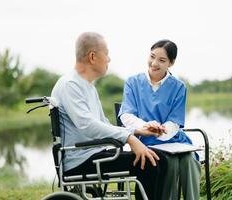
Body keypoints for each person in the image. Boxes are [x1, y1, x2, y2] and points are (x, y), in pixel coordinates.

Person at [51, 32, 167, 200]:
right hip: (80, 161)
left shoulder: (88, 86)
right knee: (150, 162)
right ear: (92, 56)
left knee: (159, 158)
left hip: (94, 153)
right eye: (106, 53)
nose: (109, 59)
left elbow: (104, 124)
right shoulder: (70, 85)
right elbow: (88, 126)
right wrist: (130, 139)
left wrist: (137, 131)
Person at [119, 39, 201, 200]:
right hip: (144, 140)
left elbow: (175, 121)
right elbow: (126, 115)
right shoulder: (133, 83)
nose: (154, 63)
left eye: (162, 60)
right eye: (152, 56)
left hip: (173, 139)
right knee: (170, 163)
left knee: (189, 160)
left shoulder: (178, 87)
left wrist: (161, 131)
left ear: (171, 63)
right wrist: (147, 127)